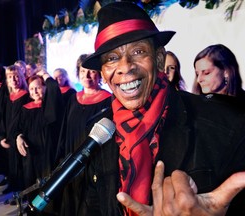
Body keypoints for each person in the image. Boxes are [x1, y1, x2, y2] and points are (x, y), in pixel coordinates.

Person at [54, 2, 245, 216]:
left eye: (137, 51)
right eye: (112, 58)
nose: (125, 67)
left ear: (159, 58)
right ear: (104, 74)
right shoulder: (98, 134)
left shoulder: (225, 125)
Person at [55, 54, 112, 216]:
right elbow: (65, 131)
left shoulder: (108, 101)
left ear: (100, 74)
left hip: (94, 161)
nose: (87, 76)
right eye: (83, 71)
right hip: (73, 159)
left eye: (92, 71)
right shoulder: (73, 99)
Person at [15, 69, 63, 214]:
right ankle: (34, 209)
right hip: (32, 156)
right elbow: (19, 128)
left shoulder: (52, 106)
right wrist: (19, 136)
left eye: (38, 87)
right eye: (31, 88)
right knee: (33, 185)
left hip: (50, 154)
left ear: (45, 88)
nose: (35, 91)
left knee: (50, 186)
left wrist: (45, 75)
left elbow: (54, 89)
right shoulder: (25, 108)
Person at [0, 65, 30, 194]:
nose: (13, 79)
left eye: (16, 76)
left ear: (21, 77)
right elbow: (1, 118)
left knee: (21, 166)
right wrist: (2, 136)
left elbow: (25, 120)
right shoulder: (8, 97)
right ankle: (12, 185)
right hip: (8, 137)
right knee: (11, 163)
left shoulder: (26, 96)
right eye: (10, 77)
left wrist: (18, 134)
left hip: (20, 137)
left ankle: (22, 192)